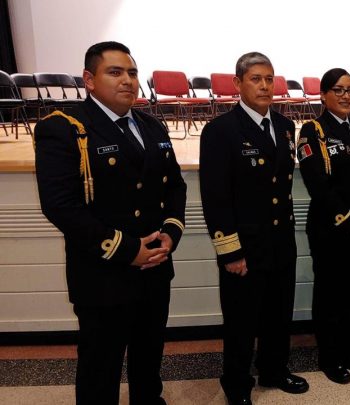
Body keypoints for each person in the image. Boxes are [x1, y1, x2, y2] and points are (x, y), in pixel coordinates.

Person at [34, 41, 187, 404]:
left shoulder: (151, 126)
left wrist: (170, 233)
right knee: (100, 365)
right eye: (115, 72)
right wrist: (127, 250)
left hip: (154, 268)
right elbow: (60, 206)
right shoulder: (66, 128)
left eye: (132, 73)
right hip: (103, 271)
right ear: (89, 79)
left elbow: (175, 186)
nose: (127, 81)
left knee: (148, 357)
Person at [199, 52, 308, 405]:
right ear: (237, 84)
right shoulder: (220, 131)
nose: (264, 86)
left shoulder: (285, 126)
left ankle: (274, 369)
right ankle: (237, 384)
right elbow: (216, 198)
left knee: (279, 313)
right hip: (244, 246)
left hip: (280, 241)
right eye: (256, 79)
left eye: (269, 79)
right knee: (242, 322)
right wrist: (230, 251)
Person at [296, 68, 350, 384]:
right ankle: (329, 356)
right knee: (329, 294)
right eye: (338, 90)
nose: (346, 96)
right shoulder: (312, 131)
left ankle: (347, 349)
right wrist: (349, 224)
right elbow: (318, 184)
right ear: (323, 95)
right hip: (331, 230)